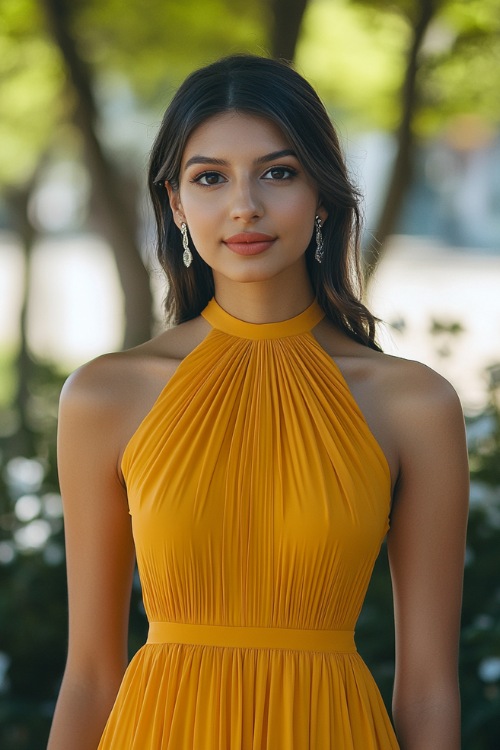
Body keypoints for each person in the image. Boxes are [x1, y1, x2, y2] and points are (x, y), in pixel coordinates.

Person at [47, 54, 469, 750]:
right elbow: (91, 674)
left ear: (324, 195)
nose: (245, 205)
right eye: (210, 177)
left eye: (279, 172)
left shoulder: (415, 405)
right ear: (177, 204)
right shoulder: (104, 397)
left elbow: (428, 689)